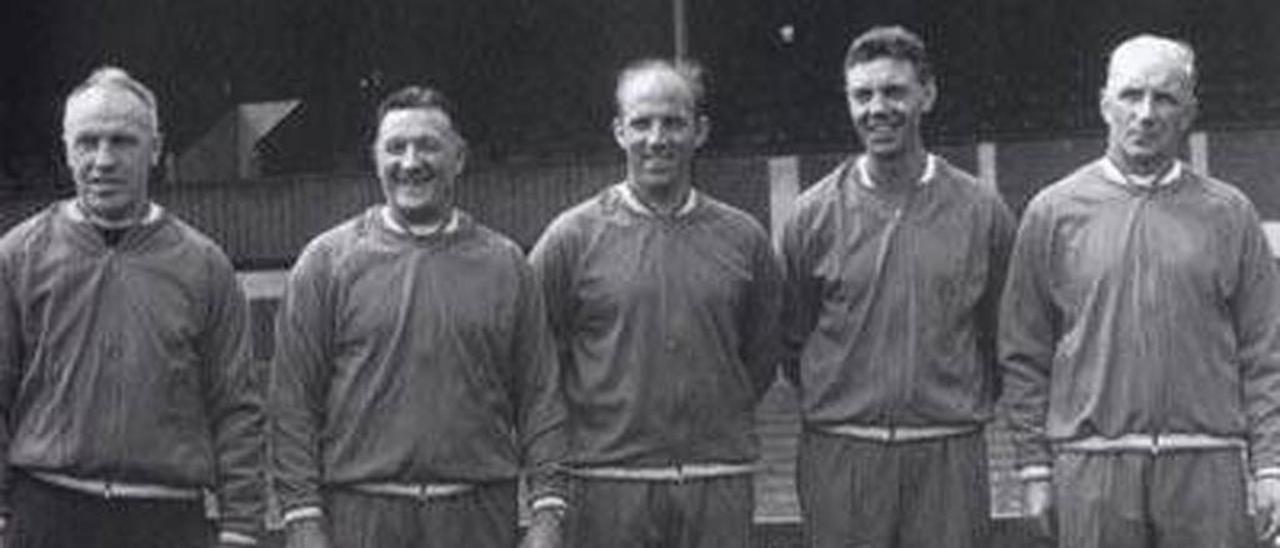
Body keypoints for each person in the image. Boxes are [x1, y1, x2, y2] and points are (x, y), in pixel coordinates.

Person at [1001, 34, 1280, 547]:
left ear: (1190, 111)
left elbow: (1266, 351)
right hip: (1093, 466)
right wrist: (1033, 469)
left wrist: (1271, 467)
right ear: (1105, 103)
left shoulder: (1230, 213)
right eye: (1131, 95)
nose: (1146, 113)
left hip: (1206, 462)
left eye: (1165, 97)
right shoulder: (1052, 212)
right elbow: (1025, 353)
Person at [268, 85, 567, 548]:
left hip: (477, 515)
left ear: (459, 157)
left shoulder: (506, 264)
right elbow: (292, 409)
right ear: (375, 157)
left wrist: (548, 513)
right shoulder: (326, 262)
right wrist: (304, 523)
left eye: (428, 145)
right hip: (361, 516)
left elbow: (540, 399)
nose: (410, 162)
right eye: (395, 148)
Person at [0, 67, 263, 547]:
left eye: (122, 141)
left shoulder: (205, 265)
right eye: (87, 142)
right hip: (47, 513)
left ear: (156, 149)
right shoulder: (18, 256)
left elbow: (236, 408)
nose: (103, 160)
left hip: (165, 519)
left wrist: (241, 527)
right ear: (66, 149)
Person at [528, 58, 782, 547]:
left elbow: (761, 356)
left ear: (700, 130)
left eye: (673, 122)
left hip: (717, 479)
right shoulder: (571, 237)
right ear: (620, 130)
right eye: (642, 123)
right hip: (608, 486)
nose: (657, 138)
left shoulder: (744, 237)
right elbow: (537, 363)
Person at [778, 26, 1014, 548]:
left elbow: (999, 338)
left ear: (926, 95)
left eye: (894, 92)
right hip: (843, 452)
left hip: (947, 452)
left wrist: (942, 400)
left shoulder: (981, 211)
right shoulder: (812, 215)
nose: (877, 108)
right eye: (862, 95)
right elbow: (793, 342)